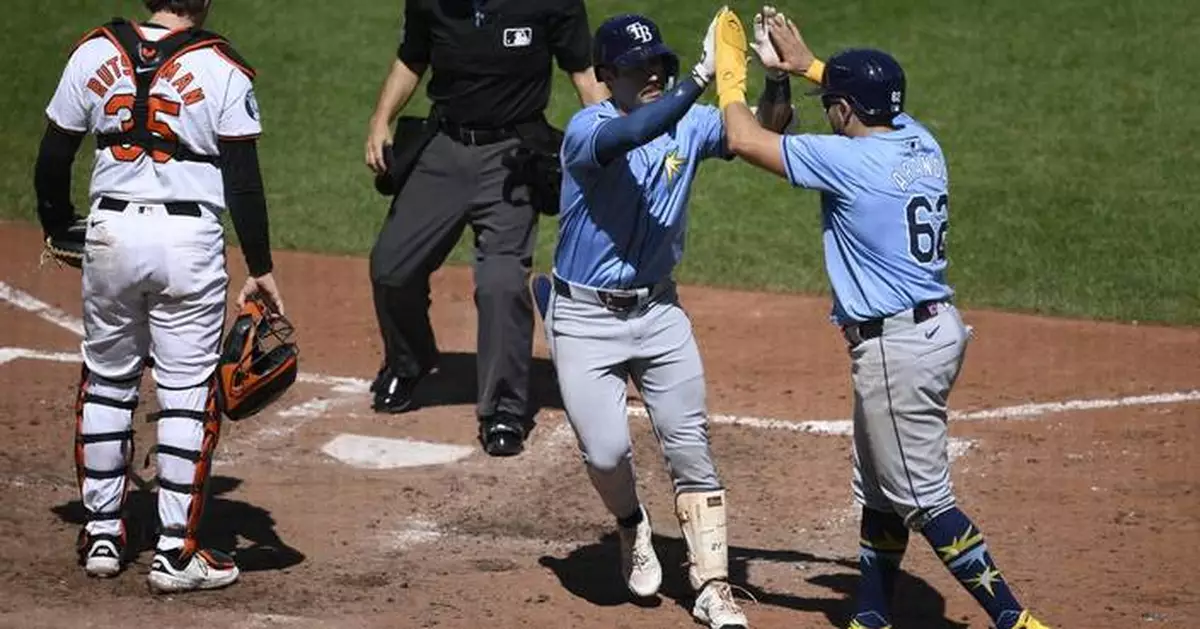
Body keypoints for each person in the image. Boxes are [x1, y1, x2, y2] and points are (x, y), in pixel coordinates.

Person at [714, 8, 1054, 629]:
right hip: (931, 331)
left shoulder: (846, 163)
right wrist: (809, 65)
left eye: (829, 103)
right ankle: (871, 615)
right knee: (879, 491)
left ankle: (1016, 621)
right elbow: (868, 105)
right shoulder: (922, 143)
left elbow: (743, 139)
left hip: (897, 350)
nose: (825, 114)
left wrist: (730, 78)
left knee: (925, 501)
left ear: (845, 110)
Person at [537, 8, 792, 628]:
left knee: (690, 447)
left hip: (657, 311)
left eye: (659, 65)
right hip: (584, 317)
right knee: (604, 454)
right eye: (636, 68)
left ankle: (712, 588)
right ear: (604, 75)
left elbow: (761, 131)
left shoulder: (690, 122)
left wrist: (778, 79)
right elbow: (634, 133)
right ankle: (632, 524)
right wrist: (699, 80)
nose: (652, 74)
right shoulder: (587, 128)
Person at [34, 0, 283, 594]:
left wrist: (57, 222)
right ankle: (175, 553)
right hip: (187, 241)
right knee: (187, 392)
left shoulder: (93, 49)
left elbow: (52, 156)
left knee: (108, 377)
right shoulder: (224, 66)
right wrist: (262, 267)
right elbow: (243, 181)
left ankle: (102, 535)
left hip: (111, 233)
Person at [363, 0, 607, 457]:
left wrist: (612, 143)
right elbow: (411, 57)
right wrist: (381, 119)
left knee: (500, 282)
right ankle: (409, 360)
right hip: (444, 148)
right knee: (391, 268)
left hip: (513, 156)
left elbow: (585, 76)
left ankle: (504, 409)